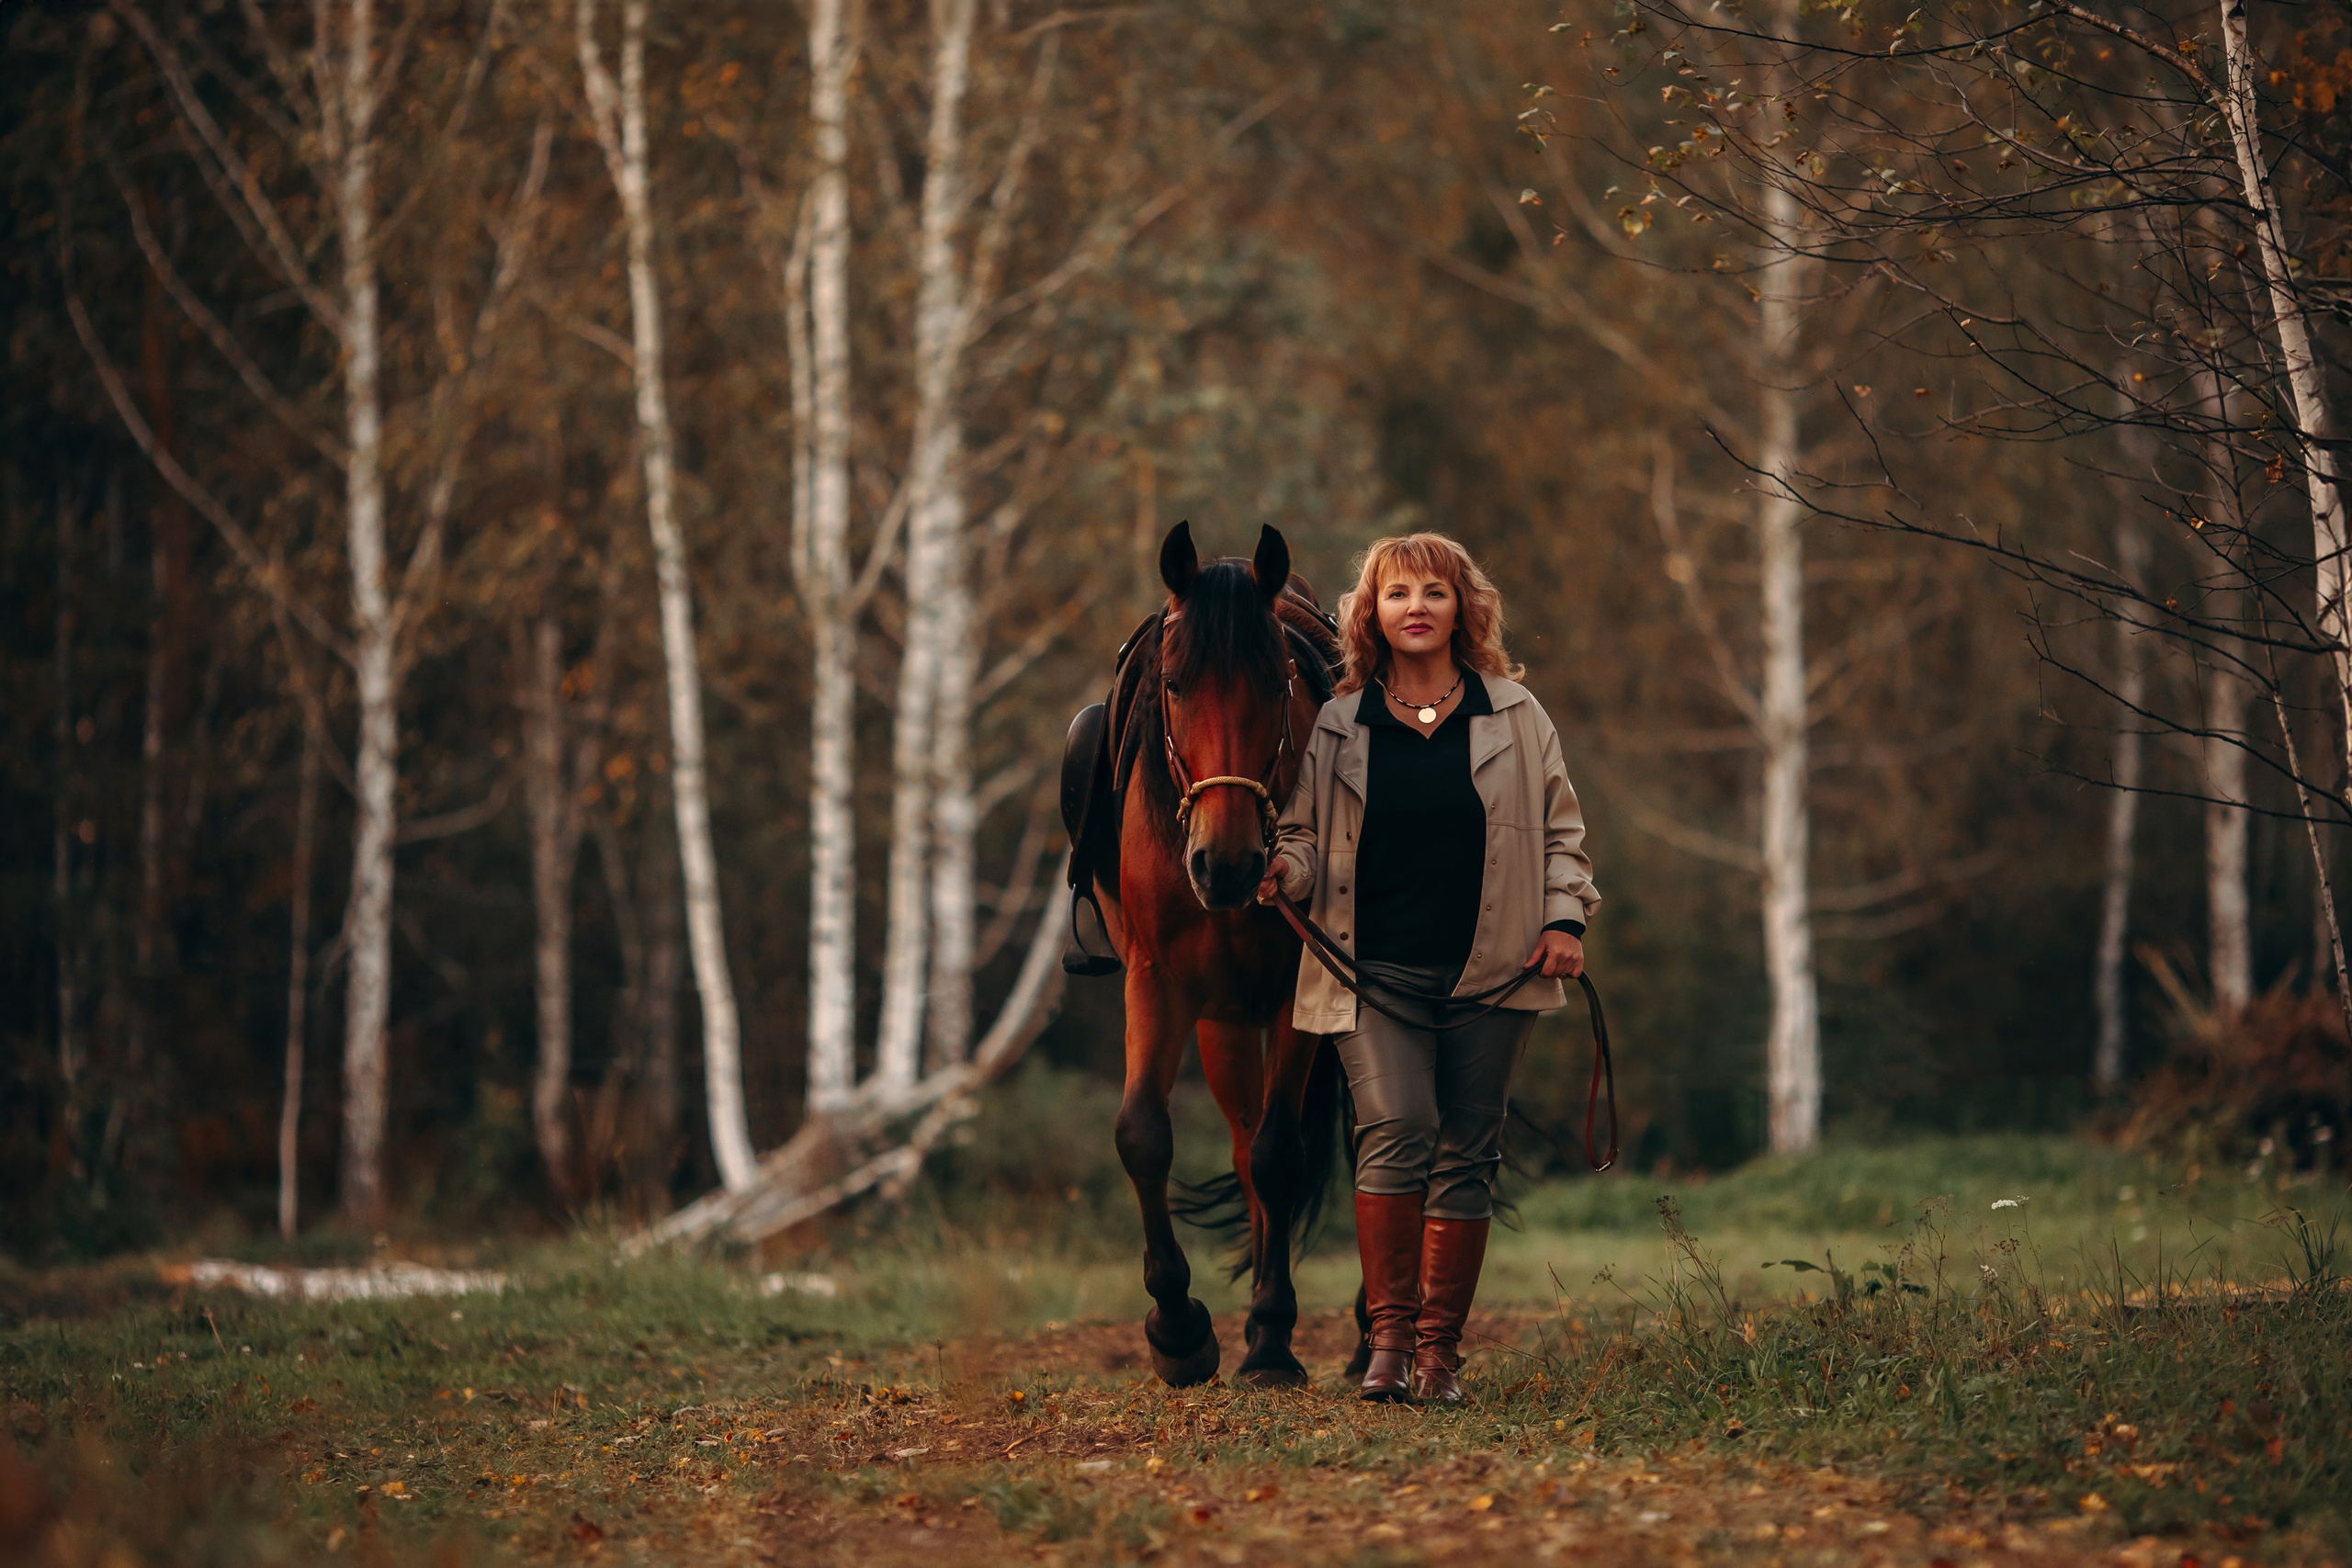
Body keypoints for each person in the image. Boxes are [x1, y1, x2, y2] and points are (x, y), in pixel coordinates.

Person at [1258, 532, 1599, 1403]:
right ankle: (1389, 1345)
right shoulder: (1340, 722)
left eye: (1433, 592)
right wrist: (1282, 870)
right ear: (1371, 612)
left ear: (1462, 608)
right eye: (1397, 592)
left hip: (1495, 971)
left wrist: (1564, 916)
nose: (1416, 606)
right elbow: (1297, 837)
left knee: (1467, 1154)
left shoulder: (1518, 713)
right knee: (1398, 1128)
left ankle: (1439, 1355)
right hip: (1371, 973)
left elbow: (1564, 834)